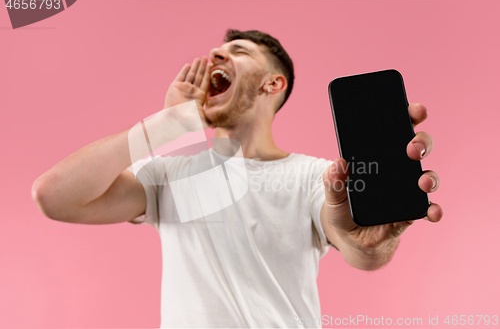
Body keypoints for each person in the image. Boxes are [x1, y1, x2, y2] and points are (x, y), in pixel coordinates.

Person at [32, 29, 443, 328]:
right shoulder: (169, 176)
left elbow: (362, 250)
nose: (215, 53)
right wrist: (167, 125)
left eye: (238, 51)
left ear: (273, 83)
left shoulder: (314, 176)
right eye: (217, 51)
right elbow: (54, 196)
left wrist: (377, 241)